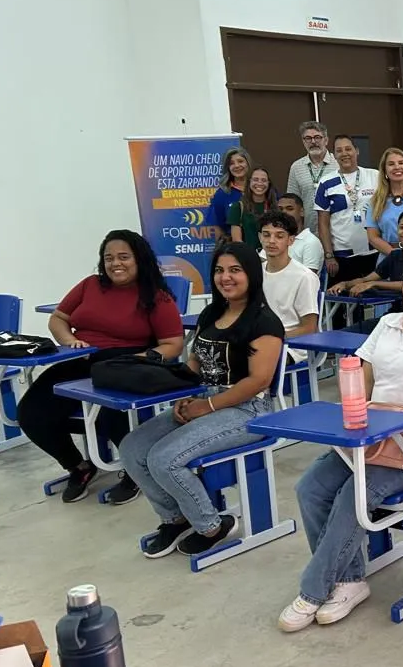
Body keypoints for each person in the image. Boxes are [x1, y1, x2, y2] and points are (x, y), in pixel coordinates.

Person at [280, 251, 403, 631]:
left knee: (353, 495)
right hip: (374, 434)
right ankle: (349, 580)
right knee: (310, 488)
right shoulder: (387, 324)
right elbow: (364, 377)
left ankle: (313, 590)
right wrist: (357, 413)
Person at [119, 243, 284, 559]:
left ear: (252, 274)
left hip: (248, 410)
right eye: (220, 270)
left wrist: (205, 407)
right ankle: (175, 519)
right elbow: (195, 362)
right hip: (204, 399)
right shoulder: (211, 313)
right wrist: (186, 398)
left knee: (164, 459)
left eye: (235, 270)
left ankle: (211, 527)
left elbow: (258, 381)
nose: (226, 277)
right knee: (132, 449)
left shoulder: (264, 322)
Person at [19, 231, 184, 505]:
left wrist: (140, 358)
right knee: (31, 414)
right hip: (81, 360)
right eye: (109, 258)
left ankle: (134, 471)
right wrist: (70, 341)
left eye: (124, 257)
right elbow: (58, 318)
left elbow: (173, 344)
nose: (115, 263)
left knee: (111, 416)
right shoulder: (89, 285)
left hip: (123, 364)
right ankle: (79, 467)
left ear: (139, 260)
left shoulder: (156, 297)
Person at [328, 209, 403, 318]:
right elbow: (367, 279)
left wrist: (374, 284)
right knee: (354, 328)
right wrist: (345, 284)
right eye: (402, 227)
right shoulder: (394, 255)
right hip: (395, 315)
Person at [315, 135, 381, 288]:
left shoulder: (375, 176)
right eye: (339, 151)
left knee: (373, 297)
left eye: (348, 149)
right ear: (334, 155)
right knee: (342, 297)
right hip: (342, 255)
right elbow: (322, 223)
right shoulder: (326, 182)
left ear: (356, 151)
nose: (344, 153)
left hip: (374, 251)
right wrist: (329, 255)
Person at [258, 210, 320, 364]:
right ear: (260, 237)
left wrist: (272, 338)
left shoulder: (304, 277)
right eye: (266, 235)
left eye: (279, 236)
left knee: (255, 360)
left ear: (290, 240)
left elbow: (309, 328)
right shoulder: (255, 273)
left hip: (293, 346)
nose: (271, 241)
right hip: (259, 341)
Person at [287, 121, 336, 231]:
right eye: (308, 138)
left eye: (317, 137)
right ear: (303, 142)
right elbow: (292, 203)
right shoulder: (296, 167)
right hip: (308, 231)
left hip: (336, 231)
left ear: (326, 140)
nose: (313, 142)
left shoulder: (337, 164)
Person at [228, 166, 277, 250]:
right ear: (249, 182)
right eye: (255, 179)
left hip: (271, 254)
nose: (259, 183)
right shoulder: (238, 207)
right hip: (247, 255)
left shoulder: (275, 207)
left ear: (269, 184)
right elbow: (237, 241)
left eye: (264, 180)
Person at [207, 147, 251, 238]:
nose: (237, 165)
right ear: (228, 168)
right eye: (231, 163)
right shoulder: (222, 194)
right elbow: (217, 225)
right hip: (234, 244)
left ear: (248, 163)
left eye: (240, 161)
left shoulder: (259, 187)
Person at [275, 193, 325, 272]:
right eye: (280, 209)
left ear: (301, 212)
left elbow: (308, 277)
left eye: (289, 209)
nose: (284, 212)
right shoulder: (274, 238)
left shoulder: (310, 242)